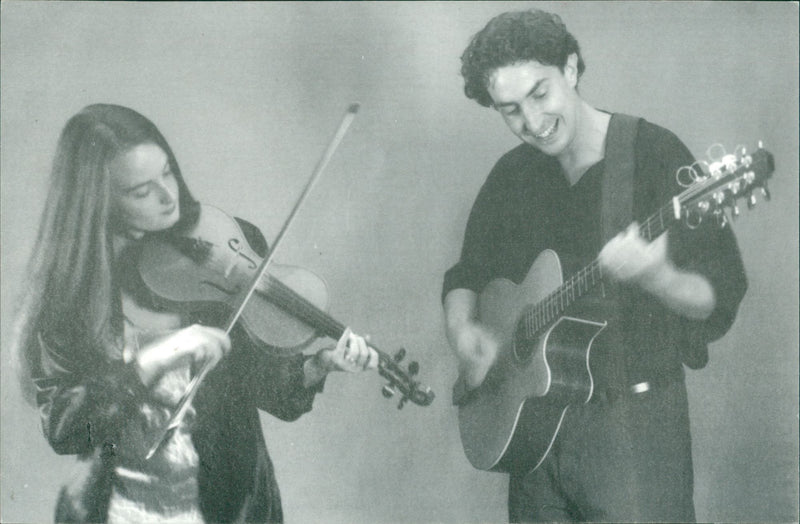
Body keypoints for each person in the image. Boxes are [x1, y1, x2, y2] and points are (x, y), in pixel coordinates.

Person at [442, 9, 747, 523]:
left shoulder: (652, 153)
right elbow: (467, 274)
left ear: (572, 68)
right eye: (510, 109)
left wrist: (658, 276)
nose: (532, 123)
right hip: (534, 439)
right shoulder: (511, 176)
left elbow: (719, 295)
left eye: (540, 94)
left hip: (636, 435)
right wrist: (461, 330)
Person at [12, 103, 379, 523]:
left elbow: (258, 381)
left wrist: (321, 365)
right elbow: (66, 428)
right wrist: (156, 358)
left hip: (227, 506)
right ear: (96, 201)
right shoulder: (71, 297)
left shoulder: (217, 249)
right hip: (119, 510)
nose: (169, 195)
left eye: (167, 172)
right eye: (140, 190)